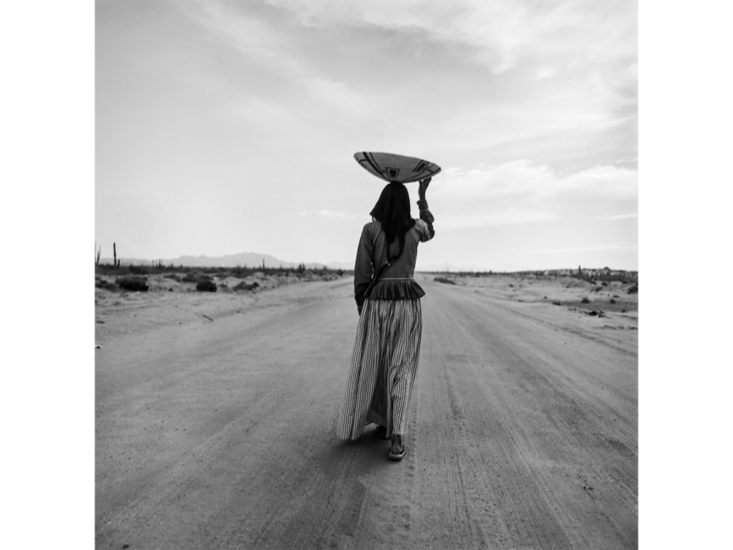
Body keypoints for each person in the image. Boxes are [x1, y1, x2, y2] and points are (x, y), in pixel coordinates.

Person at [336, 177, 435, 461]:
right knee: (400, 367)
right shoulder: (417, 229)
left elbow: (361, 275)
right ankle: (396, 436)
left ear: (381, 202)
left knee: (375, 363)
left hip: (377, 305)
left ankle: (379, 421)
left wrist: (362, 309)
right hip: (407, 305)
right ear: (405, 205)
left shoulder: (369, 230)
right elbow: (432, 229)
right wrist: (422, 196)